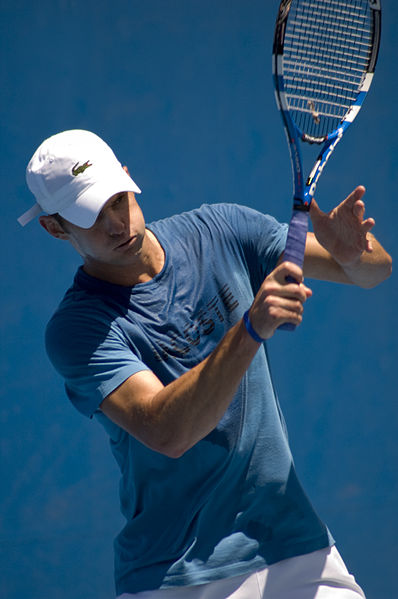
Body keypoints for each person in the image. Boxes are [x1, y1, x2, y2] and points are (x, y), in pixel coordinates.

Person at [19, 129, 391, 599]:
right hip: (176, 575)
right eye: (89, 215)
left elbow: (374, 272)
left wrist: (355, 252)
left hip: (296, 547)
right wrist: (249, 329)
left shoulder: (224, 229)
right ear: (55, 227)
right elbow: (167, 432)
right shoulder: (79, 330)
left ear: (129, 180)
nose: (116, 222)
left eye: (117, 199)